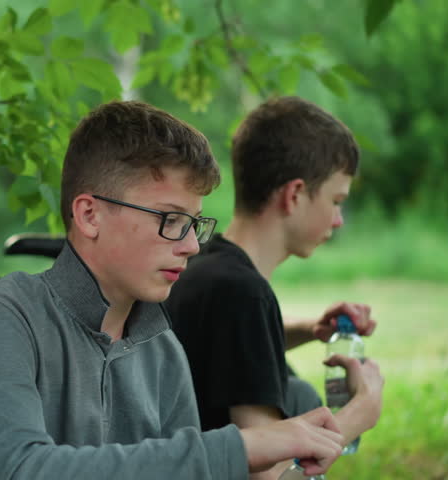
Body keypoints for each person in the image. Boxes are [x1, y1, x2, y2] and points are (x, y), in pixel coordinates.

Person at [0, 100, 346, 479]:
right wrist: (244, 447)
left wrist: (320, 437)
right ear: (89, 216)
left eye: (194, 223)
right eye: (170, 219)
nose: (192, 245)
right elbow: (25, 471)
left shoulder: (162, 350)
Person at [164, 96, 385, 479]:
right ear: (294, 194)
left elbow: (222, 354)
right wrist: (360, 412)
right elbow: (271, 476)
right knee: (300, 396)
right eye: (336, 201)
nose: (338, 220)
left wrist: (310, 329)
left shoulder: (202, 264)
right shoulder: (243, 292)